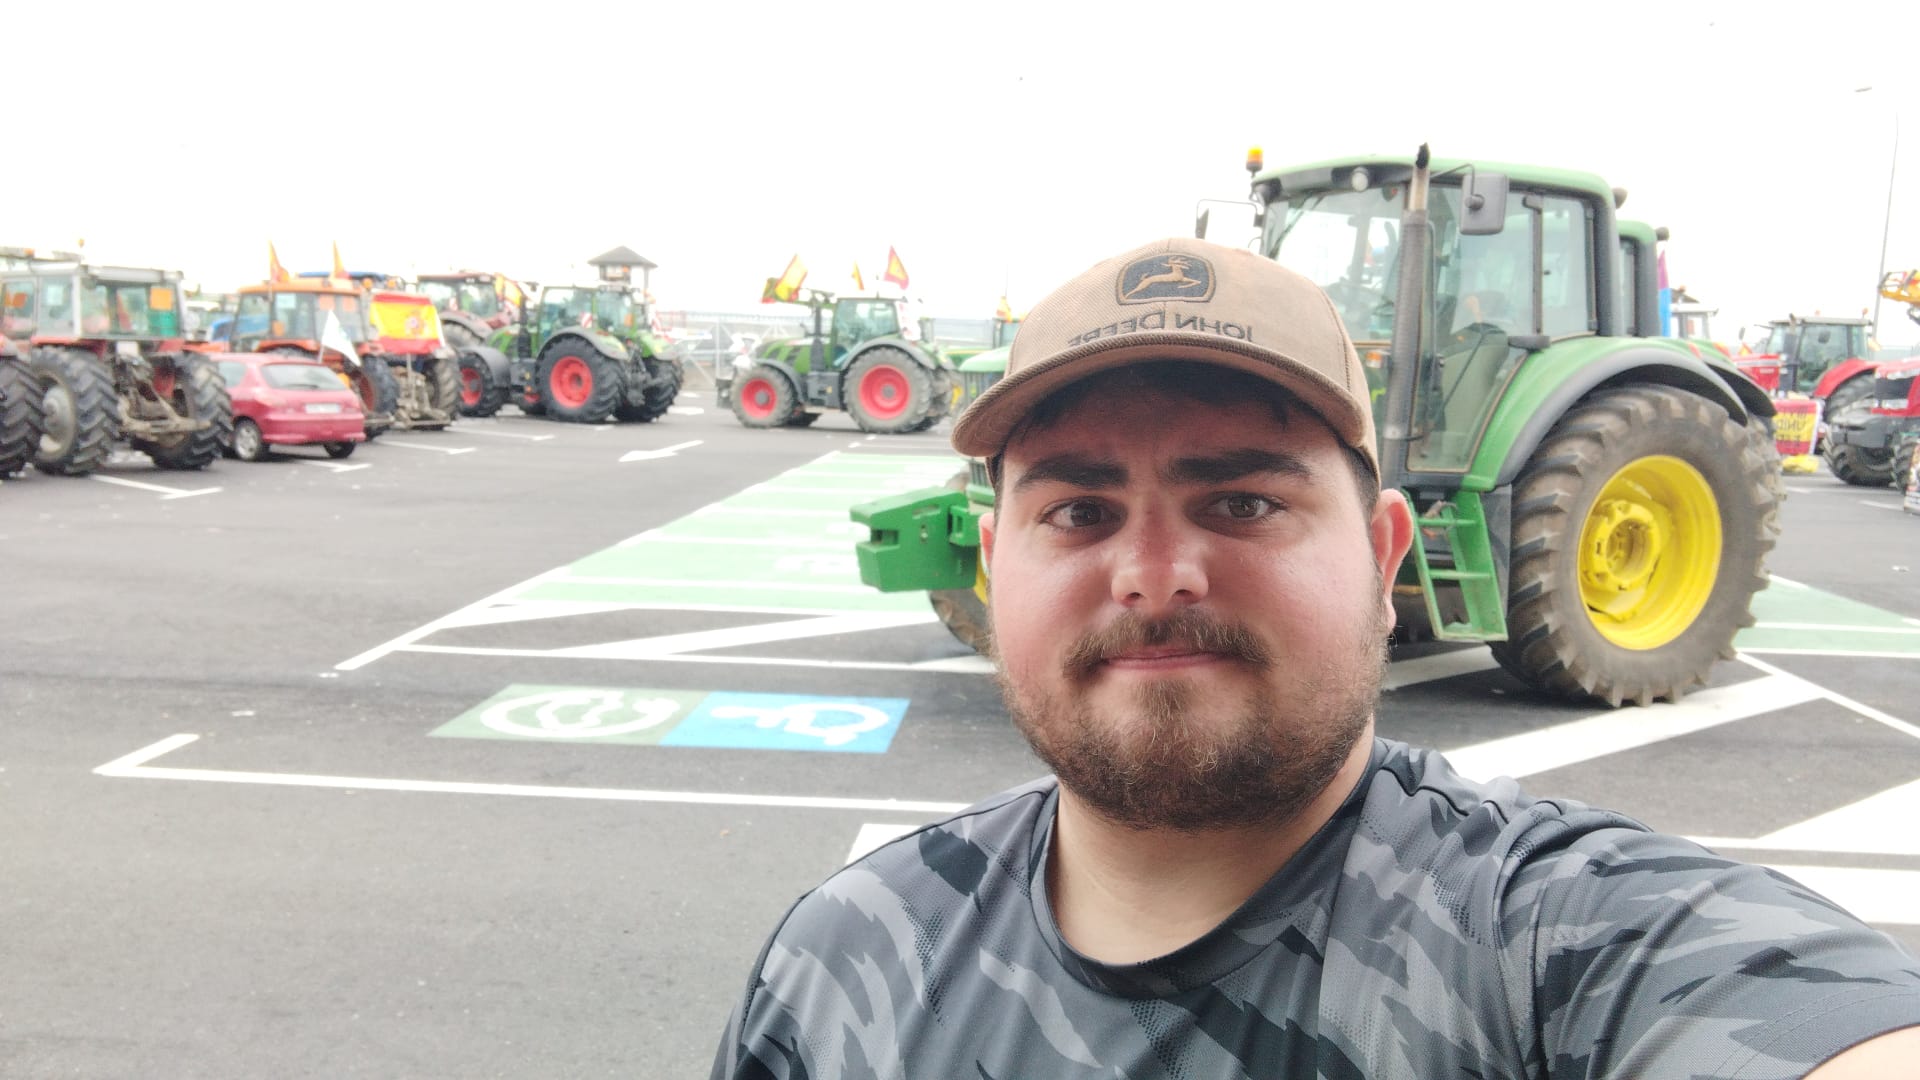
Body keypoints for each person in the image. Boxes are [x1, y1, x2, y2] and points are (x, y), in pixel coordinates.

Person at [710, 238, 1920, 1079]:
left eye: (1240, 504)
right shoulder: (841, 958)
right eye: (1077, 513)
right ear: (991, 566)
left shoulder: (1555, 946)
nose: (1151, 572)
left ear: (1386, 557)